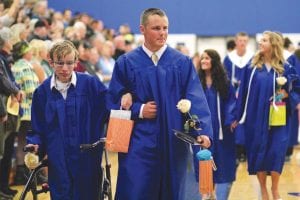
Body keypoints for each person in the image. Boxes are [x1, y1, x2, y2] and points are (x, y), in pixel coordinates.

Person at [107, 8, 213, 200]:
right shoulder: (126, 62)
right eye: (156, 28)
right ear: (142, 29)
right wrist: (139, 110)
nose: (162, 33)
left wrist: (203, 131)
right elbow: (113, 100)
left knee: (173, 192)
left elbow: (195, 97)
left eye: (165, 28)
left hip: (174, 141)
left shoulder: (181, 62)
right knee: (136, 190)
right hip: (138, 142)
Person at [25, 40, 108, 200]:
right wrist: (35, 143)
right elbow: (37, 128)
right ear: (51, 62)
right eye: (60, 63)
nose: (65, 68)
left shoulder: (89, 84)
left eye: (69, 63)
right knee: (62, 193)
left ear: (76, 62)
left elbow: (110, 107)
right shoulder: (42, 93)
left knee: (88, 194)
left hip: (87, 155)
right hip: (58, 157)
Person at [236, 31, 298, 200]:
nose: (260, 43)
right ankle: (264, 189)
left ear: (274, 44)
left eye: (264, 40)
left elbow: (296, 90)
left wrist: (287, 95)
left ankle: (275, 188)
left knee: (276, 151)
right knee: (258, 152)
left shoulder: (286, 66)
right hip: (256, 117)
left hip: (278, 118)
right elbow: (242, 93)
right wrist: (237, 116)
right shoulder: (253, 67)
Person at [198, 49, 237, 200]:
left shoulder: (224, 83)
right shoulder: (197, 82)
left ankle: (214, 193)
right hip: (203, 128)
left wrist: (230, 119)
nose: (203, 61)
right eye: (202, 58)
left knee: (220, 160)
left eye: (207, 58)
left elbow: (231, 102)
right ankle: (206, 193)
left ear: (214, 61)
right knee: (204, 159)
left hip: (221, 129)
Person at [223, 32, 254, 163]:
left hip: (247, 95)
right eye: (240, 40)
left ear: (247, 42)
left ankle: (246, 151)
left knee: (246, 120)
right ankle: (235, 150)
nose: (242, 43)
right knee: (233, 118)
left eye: (244, 41)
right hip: (232, 95)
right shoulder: (228, 58)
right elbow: (224, 76)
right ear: (236, 42)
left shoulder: (252, 58)